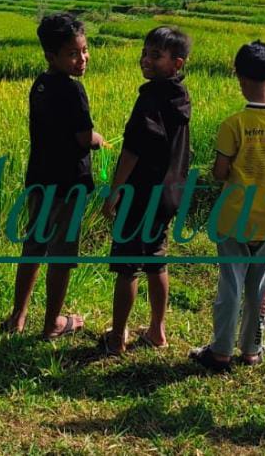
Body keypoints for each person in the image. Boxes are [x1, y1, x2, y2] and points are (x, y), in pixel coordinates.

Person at [189, 40, 265, 373]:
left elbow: (219, 172)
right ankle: (252, 350)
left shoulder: (234, 124)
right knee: (260, 289)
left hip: (233, 219)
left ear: (240, 80)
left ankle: (220, 352)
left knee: (230, 285)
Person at [0, 13, 104, 340]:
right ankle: (52, 323)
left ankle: (18, 316)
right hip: (68, 186)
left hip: (40, 180)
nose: (82, 58)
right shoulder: (74, 91)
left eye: (84, 50)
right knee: (61, 255)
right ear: (51, 56)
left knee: (34, 246)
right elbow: (83, 137)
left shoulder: (40, 85)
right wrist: (97, 139)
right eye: (73, 53)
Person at [100, 26, 193, 355]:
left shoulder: (150, 99)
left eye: (156, 55)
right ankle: (157, 330)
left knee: (127, 267)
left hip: (140, 194)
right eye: (145, 52)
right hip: (167, 195)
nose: (146, 60)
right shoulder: (180, 96)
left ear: (176, 63)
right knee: (156, 260)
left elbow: (133, 150)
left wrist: (115, 191)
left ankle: (116, 338)